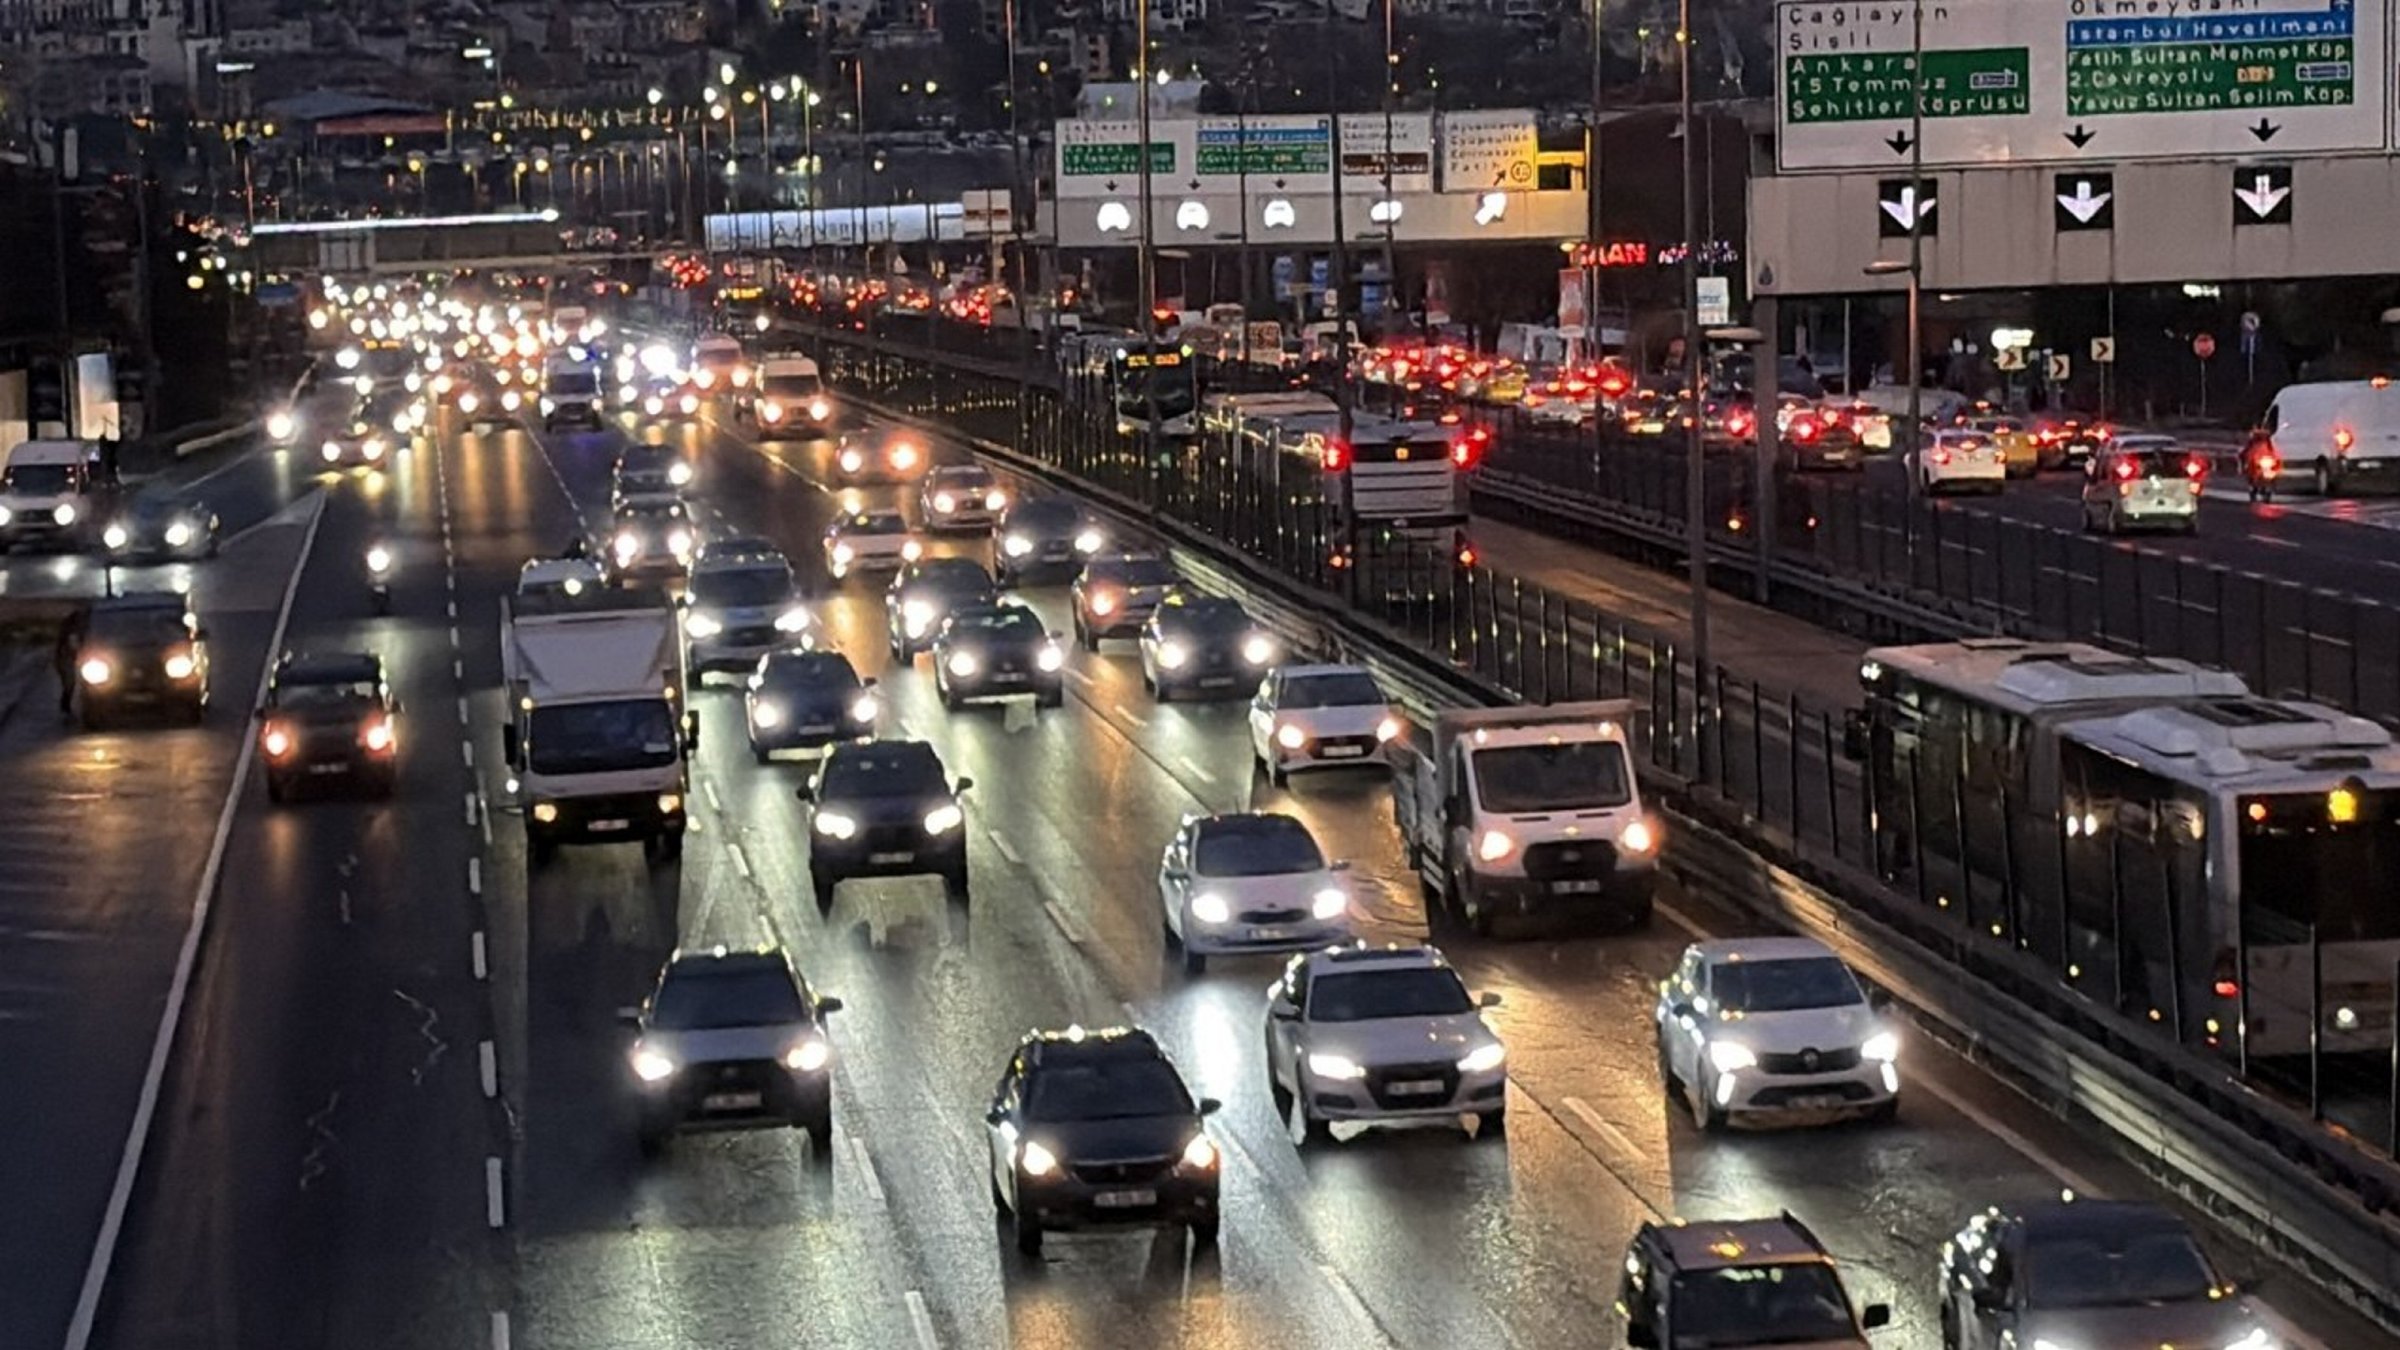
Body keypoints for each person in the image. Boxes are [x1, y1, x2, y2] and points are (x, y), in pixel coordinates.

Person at [54, 603, 89, 720]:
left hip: (64, 659)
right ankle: (66, 709)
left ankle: (66, 709)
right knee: (69, 684)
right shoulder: (72, 631)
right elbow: (74, 646)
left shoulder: (69, 629)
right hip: (65, 659)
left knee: (70, 684)